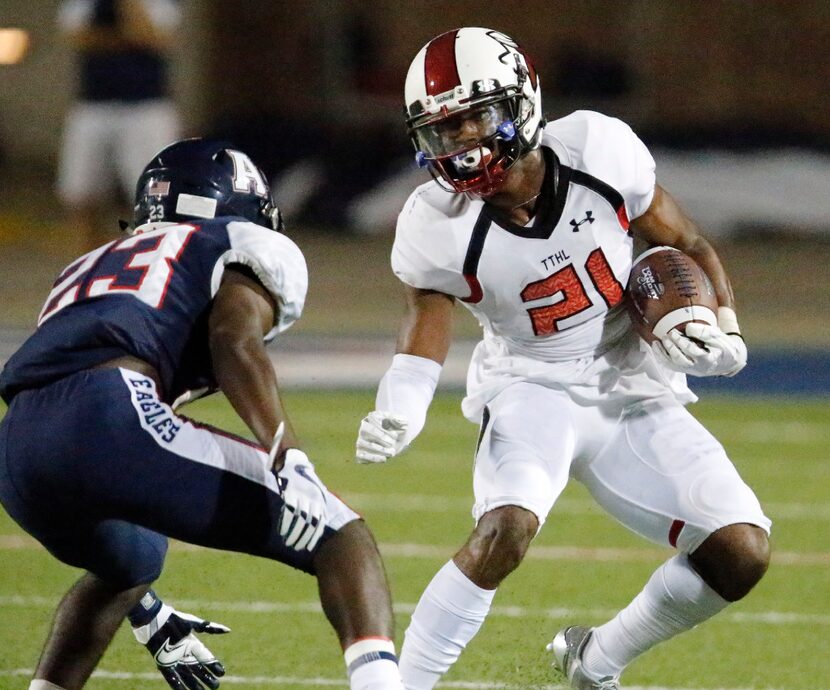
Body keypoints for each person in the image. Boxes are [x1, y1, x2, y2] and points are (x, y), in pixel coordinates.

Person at [354, 27, 771, 690]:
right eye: (444, 130)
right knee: (505, 530)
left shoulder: (598, 151)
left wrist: (726, 332)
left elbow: (687, 240)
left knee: (742, 551)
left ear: (521, 102)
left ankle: (595, 661)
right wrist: (400, 404)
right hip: (531, 386)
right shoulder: (435, 221)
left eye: (473, 120)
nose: (460, 145)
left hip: (634, 381)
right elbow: (424, 320)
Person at [0, 138, 405, 690]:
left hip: (18, 448)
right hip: (107, 411)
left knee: (132, 562)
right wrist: (287, 452)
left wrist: (152, 617)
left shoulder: (87, 263)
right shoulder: (231, 240)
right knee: (340, 533)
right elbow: (233, 340)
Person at [56, 0, 182, 251]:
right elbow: (76, 37)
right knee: (81, 193)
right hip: (94, 104)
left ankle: (153, 256)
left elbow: (154, 37)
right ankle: (87, 261)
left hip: (146, 107)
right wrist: (126, 39)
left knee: (155, 191)